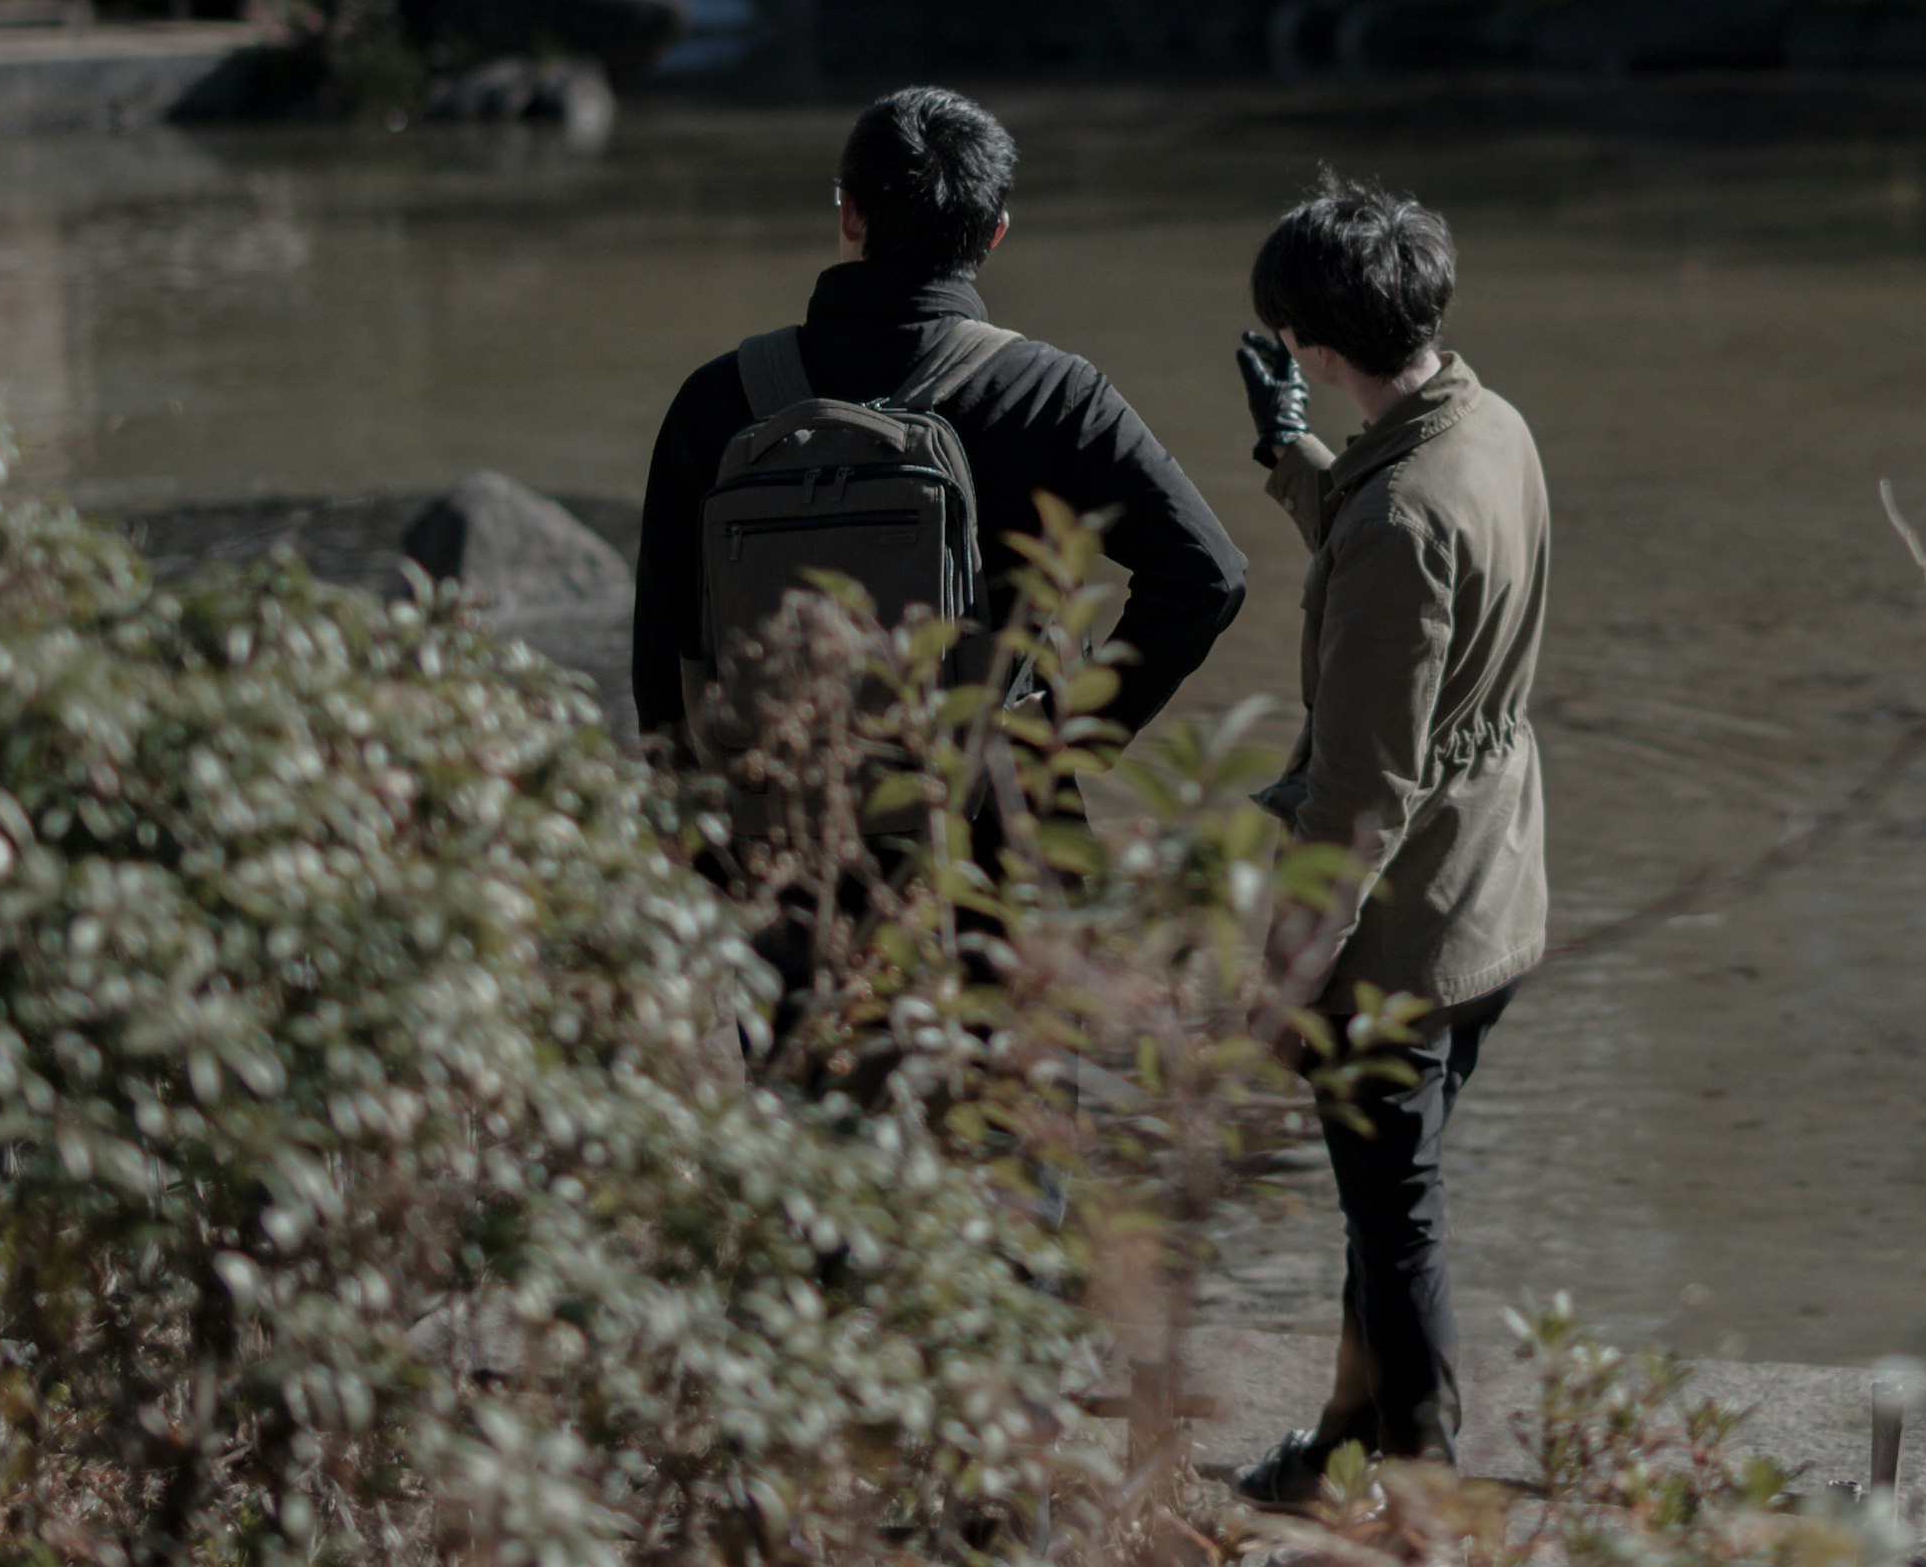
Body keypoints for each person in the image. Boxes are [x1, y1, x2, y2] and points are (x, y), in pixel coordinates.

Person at [631, 86, 1250, 776]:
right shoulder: (1051, 394)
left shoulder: (717, 399)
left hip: (770, 843)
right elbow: (1207, 575)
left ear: (850, 211)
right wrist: (1059, 740)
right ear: (995, 234)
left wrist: (698, 846)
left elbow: (664, 659)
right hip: (984, 845)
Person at [1228, 175, 1550, 1502]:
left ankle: (1410, 1465)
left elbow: (1362, 785)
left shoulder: (1400, 517)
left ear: (1311, 340)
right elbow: (1381, 545)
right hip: (1496, 887)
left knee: (1392, 1210)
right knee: (1393, 1193)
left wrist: (1291, 964)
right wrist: (1289, 450)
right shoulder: (1486, 425)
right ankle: (1364, 1439)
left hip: (1405, 930)